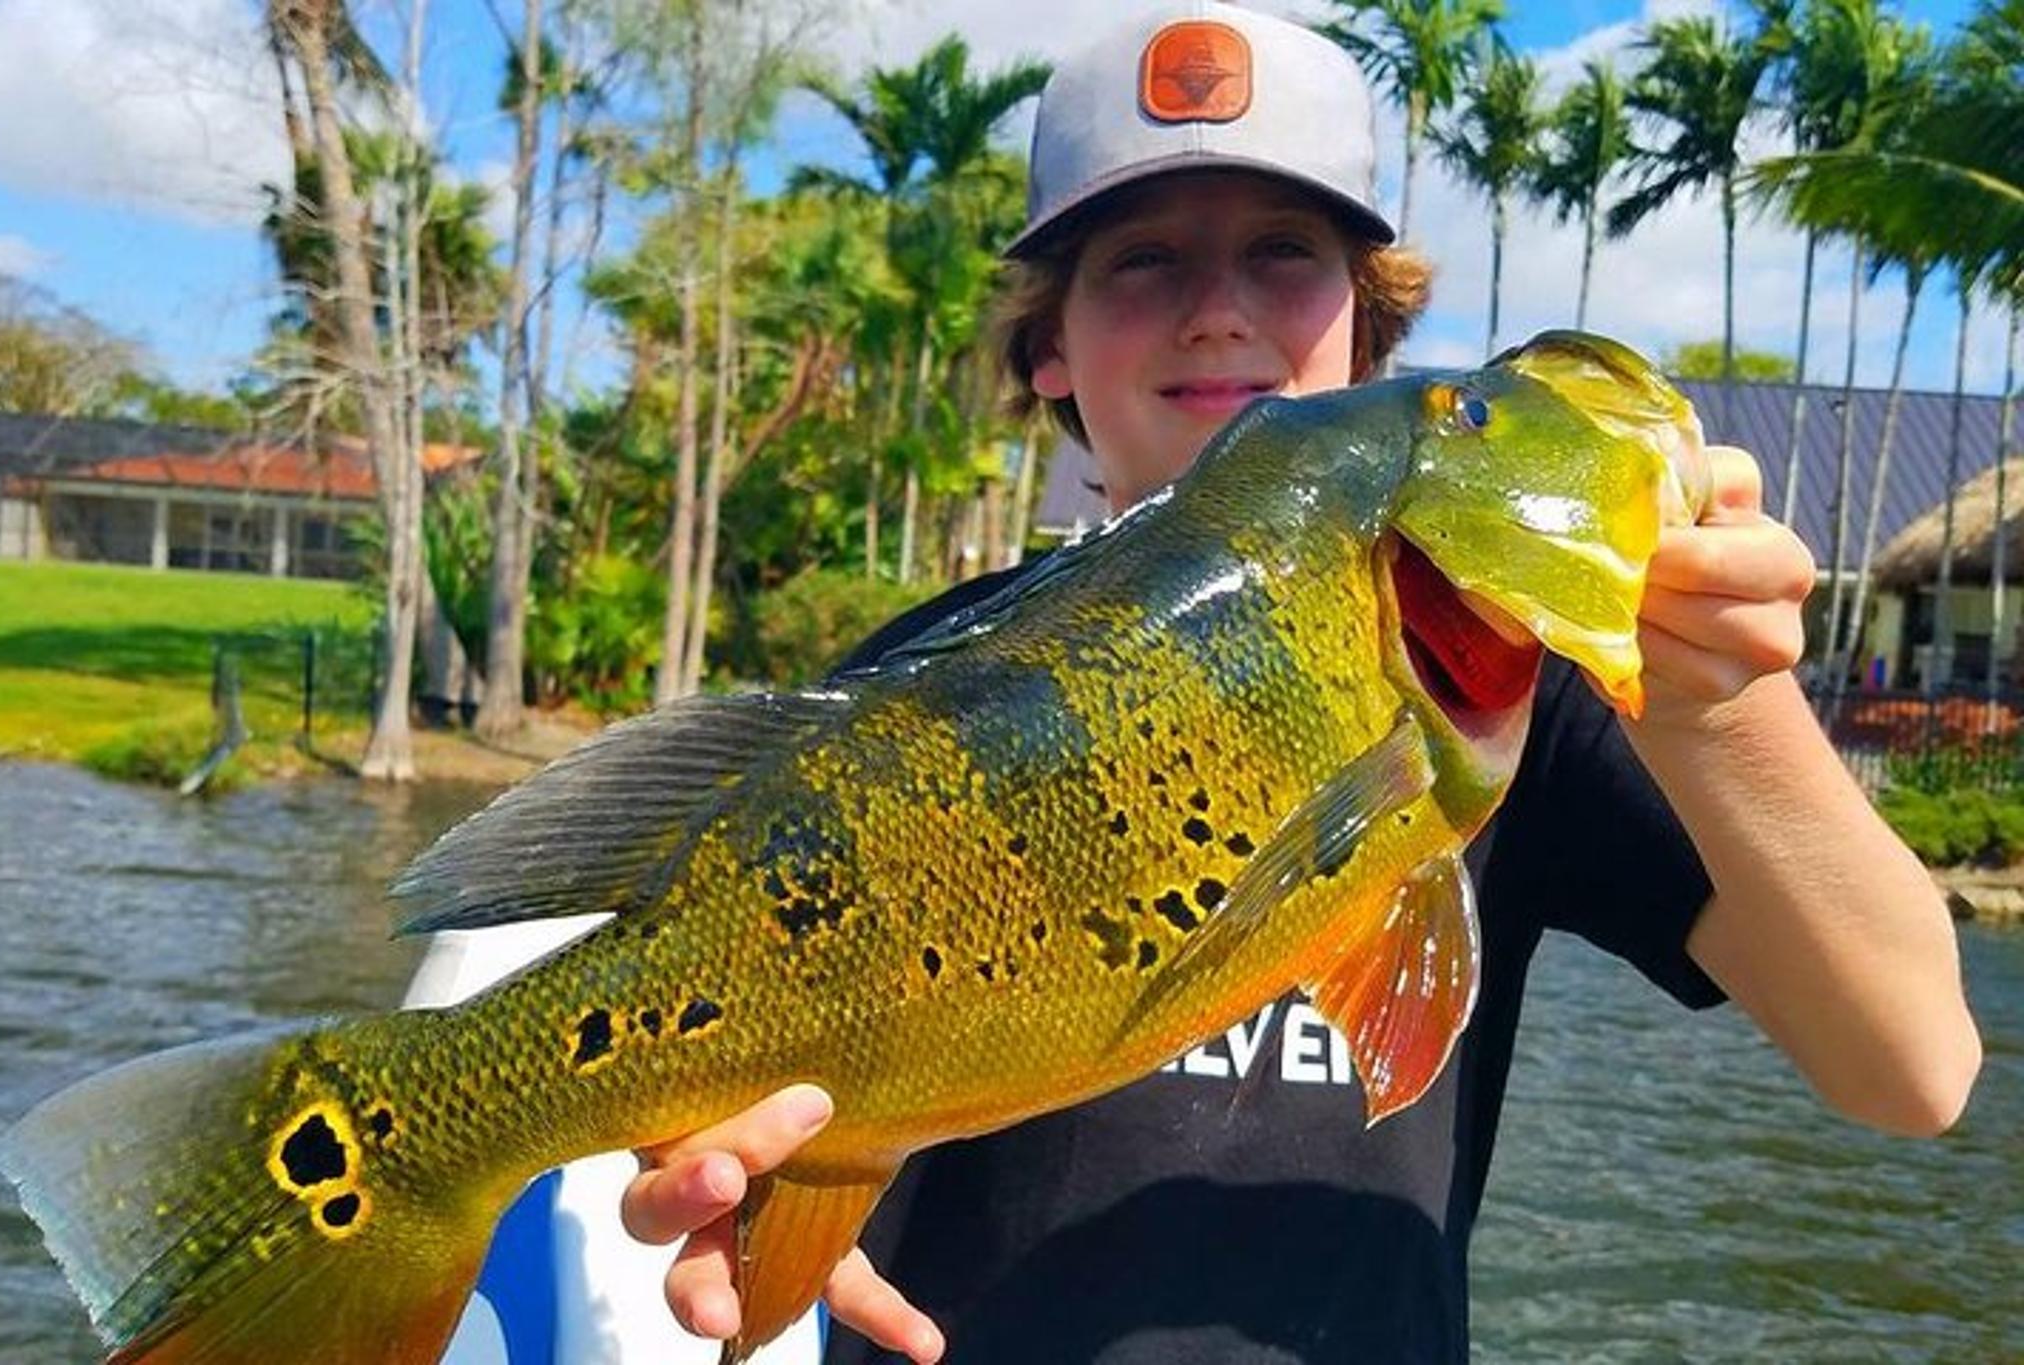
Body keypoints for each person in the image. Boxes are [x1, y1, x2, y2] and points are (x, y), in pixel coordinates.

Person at [619, 6, 1983, 1362]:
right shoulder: (921, 693)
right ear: (1050, 349)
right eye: (1143, 260)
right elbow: (734, 1043)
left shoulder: (1511, 686)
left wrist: (1718, 703)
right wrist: (741, 1176)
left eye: (1285, 252)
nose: (1218, 311)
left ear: (1367, 332)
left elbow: (1916, 1066)